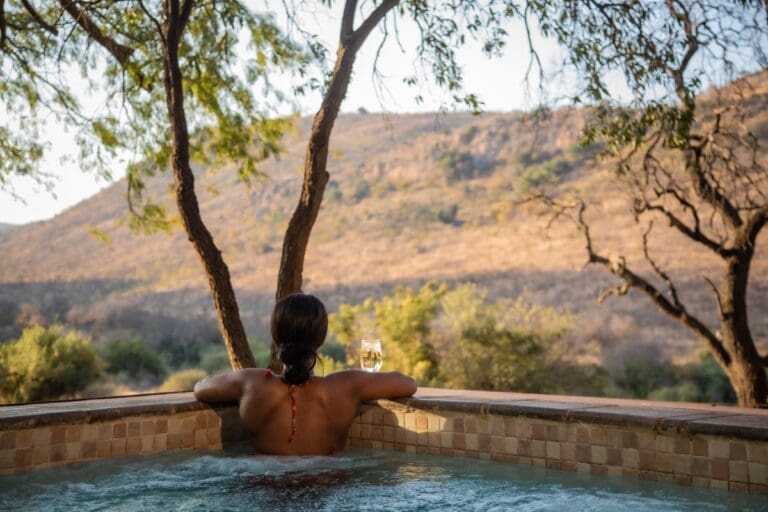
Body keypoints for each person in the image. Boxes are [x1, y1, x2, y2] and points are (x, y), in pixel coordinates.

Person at [193, 293, 417, 455]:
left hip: (264, 490)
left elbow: (201, 388)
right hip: (325, 490)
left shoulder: (252, 382)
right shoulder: (345, 386)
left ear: (275, 334)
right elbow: (408, 384)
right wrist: (364, 377)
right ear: (321, 338)